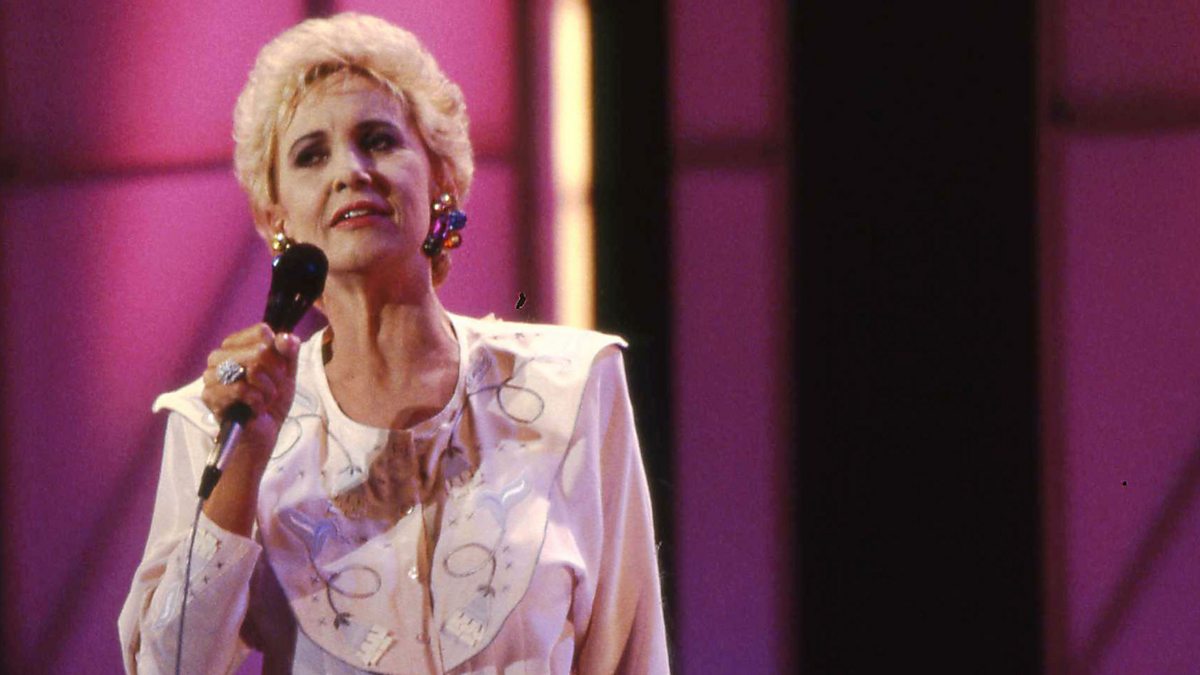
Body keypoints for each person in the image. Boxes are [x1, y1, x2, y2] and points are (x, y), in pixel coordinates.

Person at [118, 12, 669, 674]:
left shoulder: (573, 386)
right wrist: (241, 466)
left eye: (378, 140)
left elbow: (631, 654)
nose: (350, 171)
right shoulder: (218, 423)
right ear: (275, 217)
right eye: (311, 155)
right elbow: (170, 667)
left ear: (440, 182)